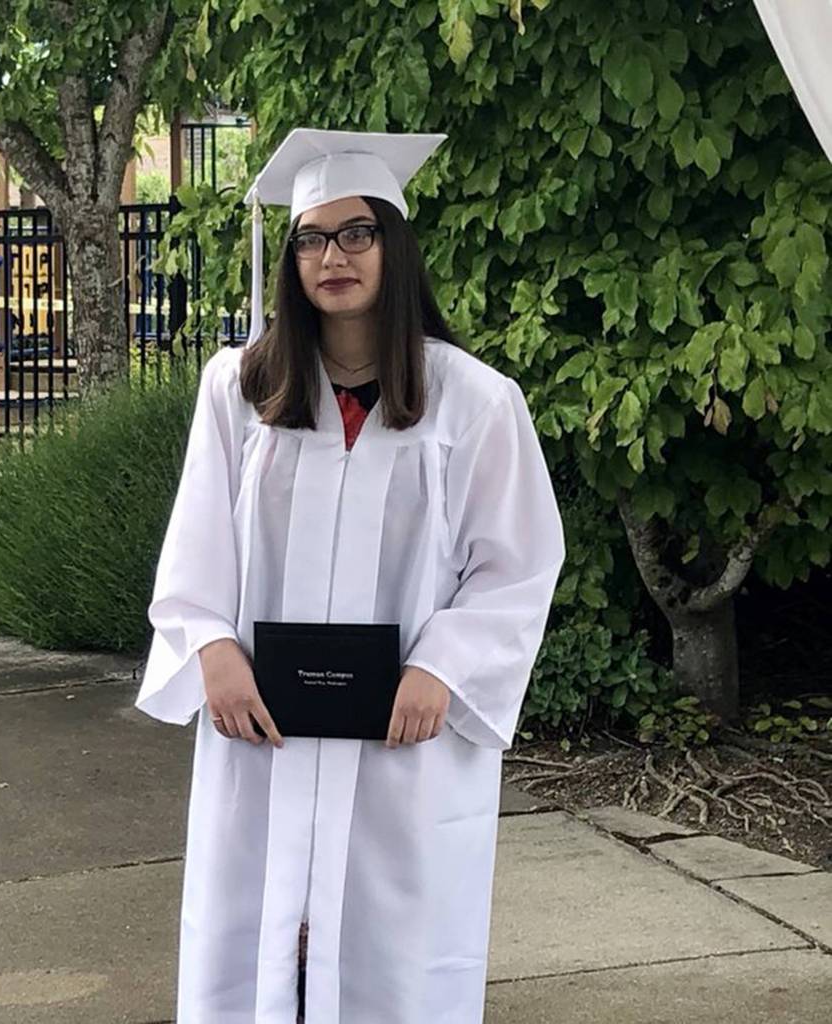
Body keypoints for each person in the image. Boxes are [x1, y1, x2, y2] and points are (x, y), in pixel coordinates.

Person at [134, 128, 566, 1024]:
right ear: (290, 258)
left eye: (356, 233)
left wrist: (445, 664)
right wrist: (208, 646)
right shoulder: (239, 390)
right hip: (262, 722)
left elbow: (518, 563)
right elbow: (197, 539)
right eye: (311, 238)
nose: (332, 256)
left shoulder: (476, 401)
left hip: (403, 733)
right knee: (250, 941)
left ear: (394, 246)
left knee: (391, 948)